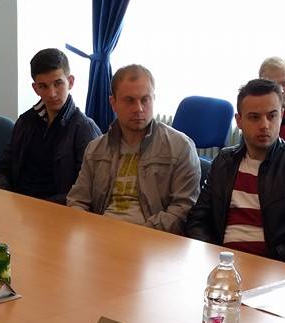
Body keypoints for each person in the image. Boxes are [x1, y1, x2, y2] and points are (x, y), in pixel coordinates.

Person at [185, 79, 285, 264]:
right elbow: (198, 219)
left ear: (281, 115)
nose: (265, 125)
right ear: (239, 121)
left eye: (272, 116)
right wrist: (214, 257)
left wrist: (266, 262)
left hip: (276, 267)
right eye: (254, 117)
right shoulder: (225, 161)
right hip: (222, 263)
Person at [66, 64, 199, 234]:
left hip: (152, 238)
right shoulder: (95, 149)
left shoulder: (180, 147)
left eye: (145, 99)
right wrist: (89, 228)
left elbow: (182, 209)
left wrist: (137, 234)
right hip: (101, 235)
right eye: (129, 100)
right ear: (113, 103)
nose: (138, 108)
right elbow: (77, 200)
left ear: (153, 99)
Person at [0, 48, 100, 204]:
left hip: (56, 210)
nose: (51, 93)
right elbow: (2, 168)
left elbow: (85, 191)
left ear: (70, 82)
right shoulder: (25, 122)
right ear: (35, 88)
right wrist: (6, 197)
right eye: (43, 86)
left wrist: (40, 207)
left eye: (58, 83)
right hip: (18, 205)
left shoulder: (84, 129)